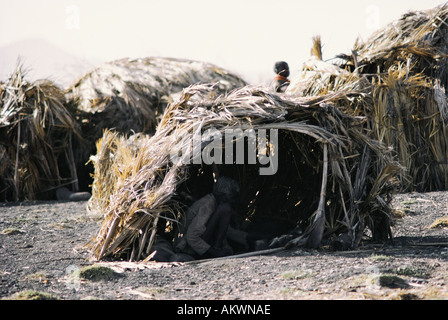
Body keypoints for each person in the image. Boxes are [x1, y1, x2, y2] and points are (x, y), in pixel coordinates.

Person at [173, 177, 249, 260]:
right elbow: (192, 237)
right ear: (224, 196)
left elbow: (227, 231)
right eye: (231, 197)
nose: (233, 201)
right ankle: (216, 249)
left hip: (194, 246)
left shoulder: (214, 204)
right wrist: (215, 252)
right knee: (225, 209)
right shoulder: (208, 205)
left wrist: (248, 238)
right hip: (187, 248)